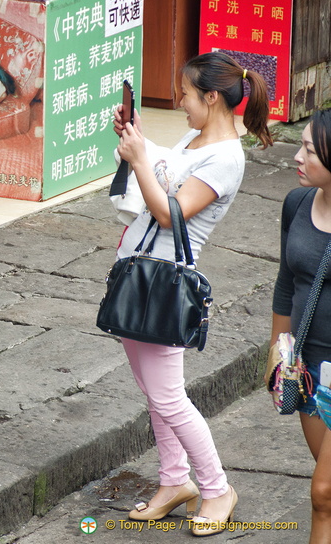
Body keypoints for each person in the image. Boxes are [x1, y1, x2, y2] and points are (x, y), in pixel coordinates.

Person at [113, 52, 272, 536]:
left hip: (163, 285)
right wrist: (138, 139)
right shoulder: (196, 137)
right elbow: (166, 167)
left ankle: (216, 487)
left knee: (170, 397)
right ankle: (174, 481)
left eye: (184, 93)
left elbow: (170, 213)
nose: (178, 100)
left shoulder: (226, 158)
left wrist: (140, 158)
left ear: (211, 97)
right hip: (137, 274)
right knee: (155, 394)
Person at [271, 109, 331, 543]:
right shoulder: (296, 203)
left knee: (323, 493)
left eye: (308, 149)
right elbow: (284, 284)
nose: (297, 155)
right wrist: (279, 352)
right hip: (309, 370)